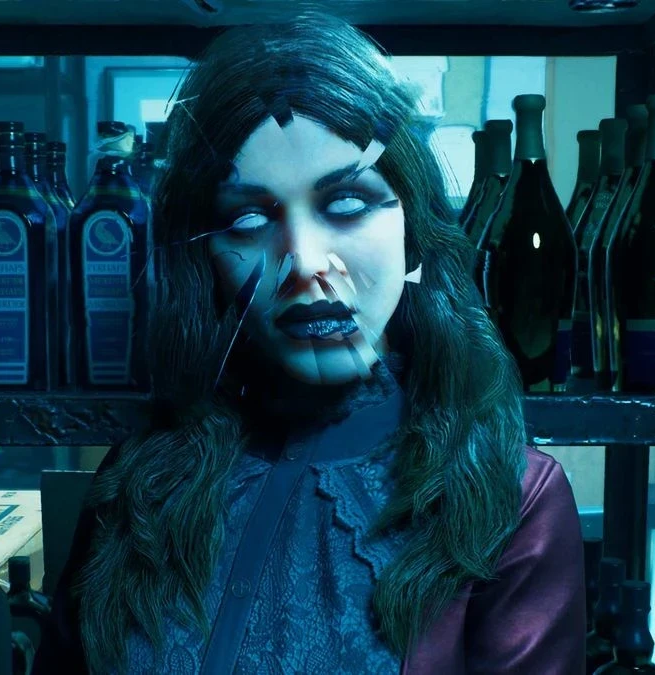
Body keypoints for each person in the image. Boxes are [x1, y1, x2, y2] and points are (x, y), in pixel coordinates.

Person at [35, 13, 585, 675]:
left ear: (412, 227)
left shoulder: (513, 497)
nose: (305, 262)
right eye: (247, 218)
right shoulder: (141, 476)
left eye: (346, 203)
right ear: (204, 258)